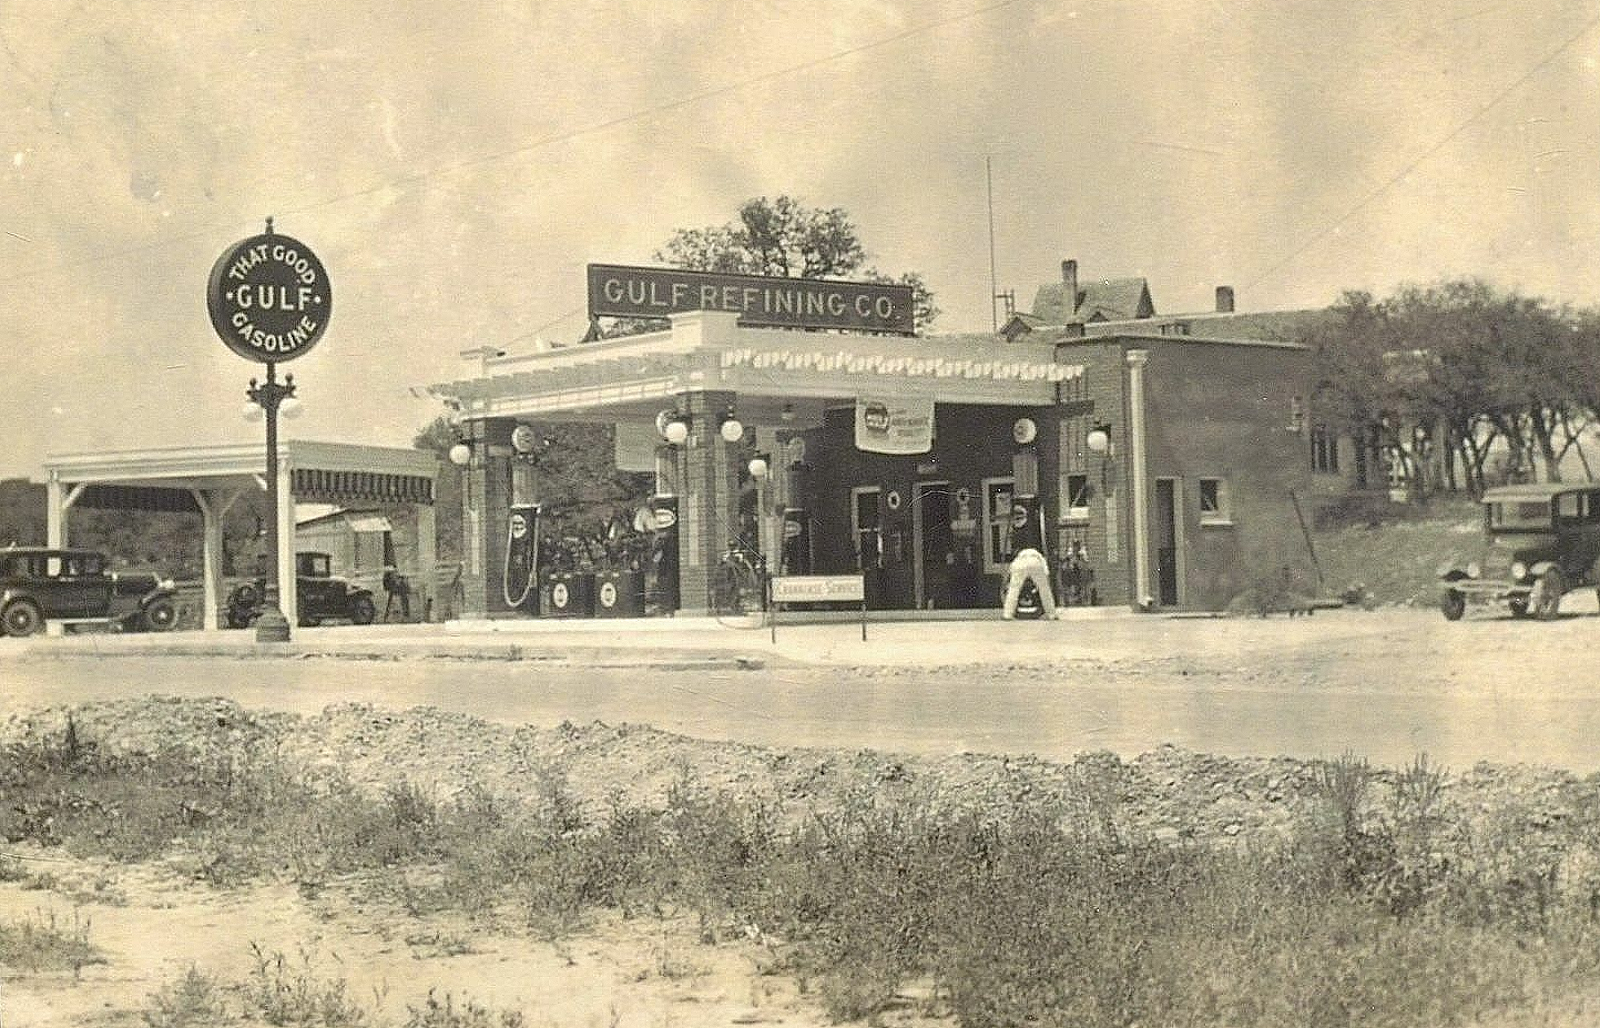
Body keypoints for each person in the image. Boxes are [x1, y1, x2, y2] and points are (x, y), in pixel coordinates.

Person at [1002, 544, 1057, 619]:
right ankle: (1052, 614)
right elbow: (1046, 573)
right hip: (1035, 560)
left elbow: (1011, 571)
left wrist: (1006, 582)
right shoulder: (1040, 556)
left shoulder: (1017, 557)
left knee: (1014, 588)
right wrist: (1046, 583)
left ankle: (1007, 614)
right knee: (1044, 589)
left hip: (1020, 561)